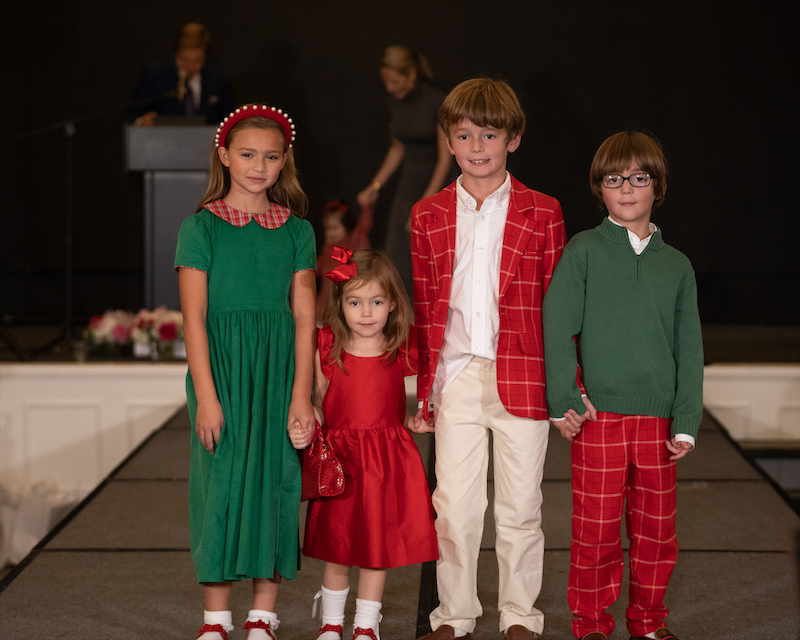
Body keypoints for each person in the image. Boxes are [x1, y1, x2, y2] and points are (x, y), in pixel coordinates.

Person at [411, 78, 567, 640]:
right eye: (465, 134)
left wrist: (566, 388)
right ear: (449, 142)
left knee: (521, 505)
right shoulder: (427, 215)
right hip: (456, 375)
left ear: (514, 139)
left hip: (523, 373)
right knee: (453, 506)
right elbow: (428, 307)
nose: (478, 146)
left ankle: (520, 615)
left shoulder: (543, 212)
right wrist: (426, 390)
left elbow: (558, 307)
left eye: (490, 134)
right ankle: (454, 615)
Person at [542, 131, 703, 640]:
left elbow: (690, 349)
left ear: (658, 187)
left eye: (639, 178)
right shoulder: (585, 251)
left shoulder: (676, 265)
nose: (627, 189)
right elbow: (556, 323)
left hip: (658, 423)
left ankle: (649, 623)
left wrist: (686, 420)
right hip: (599, 419)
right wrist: (565, 398)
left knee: (656, 534)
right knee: (595, 534)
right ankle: (591, 625)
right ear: (600, 188)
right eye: (615, 180)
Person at [174, 104, 316, 640]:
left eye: (271, 157)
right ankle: (216, 617)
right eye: (248, 154)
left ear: (285, 162)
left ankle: (264, 613)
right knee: (220, 484)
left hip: (278, 372)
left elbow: (305, 318)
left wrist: (301, 395)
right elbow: (193, 320)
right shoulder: (200, 226)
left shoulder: (298, 231)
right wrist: (207, 398)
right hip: (223, 373)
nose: (259, 166)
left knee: (275, 482)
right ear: (225, 155)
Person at [290, 248, 438, 640]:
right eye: (355, 302)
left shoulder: (399, 346)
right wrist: (309, 423)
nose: (366, 312)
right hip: (342, 461)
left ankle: (366, 625)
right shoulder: (327, 345)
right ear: (341, 304)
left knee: (377, 549)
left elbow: (396, 404)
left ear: (392, 304)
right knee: (340, 546)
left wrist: (412, 419)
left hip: (386, 461)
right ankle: (331, 624)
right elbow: (317, 403)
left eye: (376, 302)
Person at [357, 45, 454, 299]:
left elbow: (446, 160)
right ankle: (399, 325)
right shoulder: (395, 102)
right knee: (397, 259)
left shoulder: (437, 101)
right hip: (408, 185)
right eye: (386, 81)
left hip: (436, 184)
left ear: (411, 74)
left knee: (429, 261)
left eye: (395, 81)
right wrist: (375, 186)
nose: (390, 88)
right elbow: (398, 147)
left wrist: (426, 203)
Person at [125, 22, 232, 126]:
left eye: (197, 61)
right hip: (161, 141)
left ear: (205, 56)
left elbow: (228, 122)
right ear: (176, 52)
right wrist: (141, 121)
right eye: (184, 60)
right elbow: (131, 116)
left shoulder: (217, 80)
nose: (190, 67)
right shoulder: (155, 75)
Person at [314, 201, 373, 324]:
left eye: (334, 228)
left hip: (345, 308)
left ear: (346, 226)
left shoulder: (353, 244)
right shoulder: (328, 250)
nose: (330, 233)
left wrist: (367, 204)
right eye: (327, 229)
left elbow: (363, 227)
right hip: (323, 309)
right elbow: (314, 269)